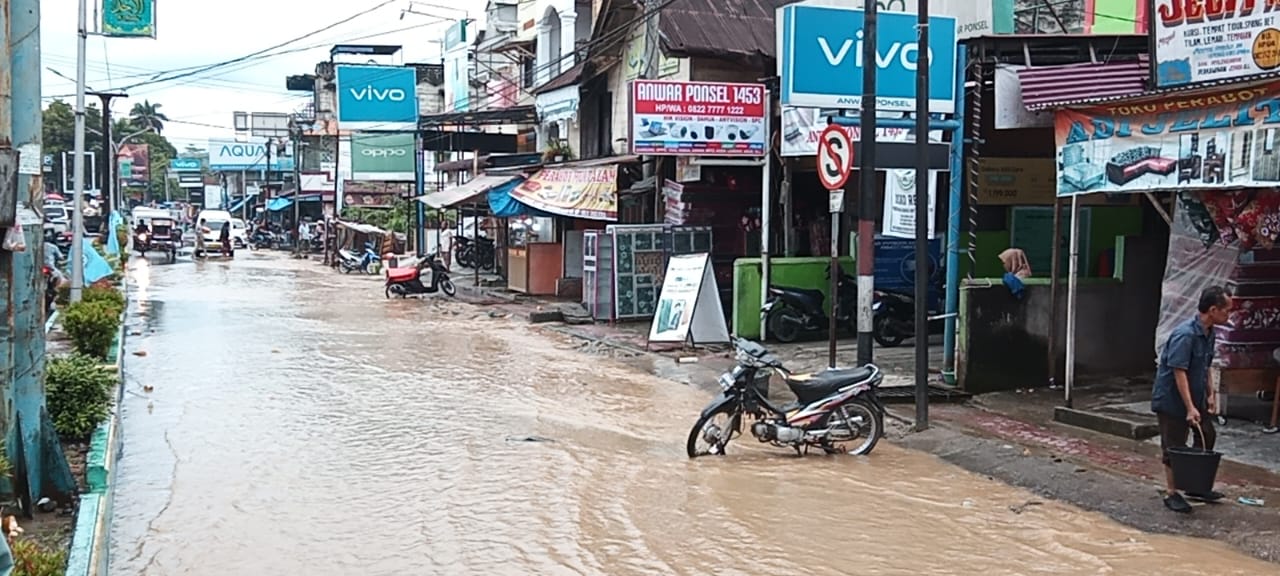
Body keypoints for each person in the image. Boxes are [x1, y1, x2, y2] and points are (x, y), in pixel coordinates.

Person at [1152, 285, 1232, 513]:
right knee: (1173, 445)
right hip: (1172, 399)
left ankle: (1195, 485)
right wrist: (1189, 407)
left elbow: (1205, 366)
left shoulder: (1209, 333)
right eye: (1227, 311)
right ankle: (1171, 492)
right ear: (1213, 310)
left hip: (1194, 396)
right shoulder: (1185, 335)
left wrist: (1209, 395)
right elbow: (1179, 371)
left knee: (1206, 433)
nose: (1229, 316)